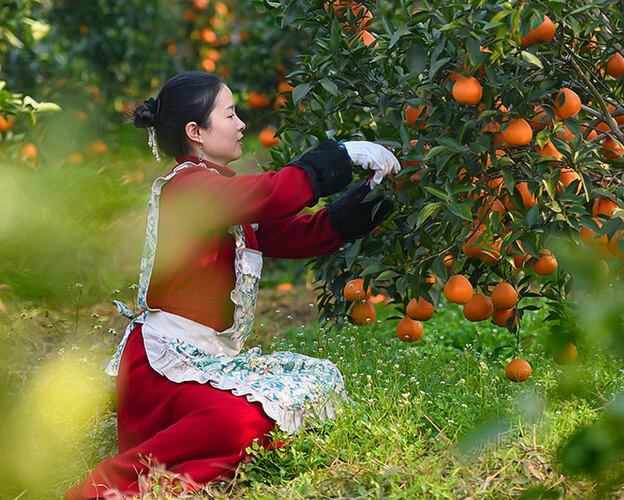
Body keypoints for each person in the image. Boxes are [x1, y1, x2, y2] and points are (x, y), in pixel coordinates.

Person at [66, 71, 398, 499]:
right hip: (164, 370)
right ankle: (102, 489)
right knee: (241, 421)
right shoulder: (187, 187)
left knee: (317, 381)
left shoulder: (221, 196)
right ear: (196, 132)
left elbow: (302, 234)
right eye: (230, 114)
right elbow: (272, 194)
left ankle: (193, 467)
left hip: (203, 361)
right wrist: (340, 156)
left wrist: (377, 197)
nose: (242, 124)